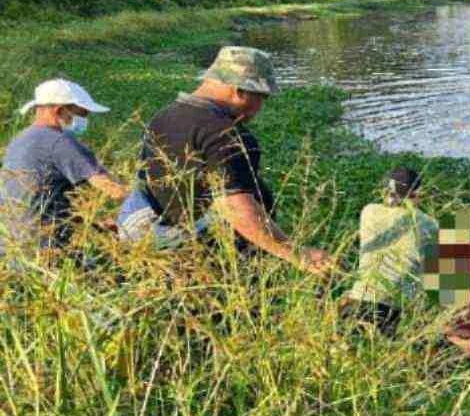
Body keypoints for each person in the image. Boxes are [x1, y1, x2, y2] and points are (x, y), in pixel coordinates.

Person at [117, 46, 333, 274]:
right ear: (240, 91)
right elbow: (235, 210)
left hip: (136, 228)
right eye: (262, 98)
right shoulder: (226, 135)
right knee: (253, 199)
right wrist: (299, 254)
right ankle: (243, 276)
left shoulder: (163, 115)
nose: (259, 108)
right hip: (171, 240)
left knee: (249, 189)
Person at [0, 79, 128, 259]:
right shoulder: (60, 142)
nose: (85, 121)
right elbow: (113, 190)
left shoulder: (19, 140)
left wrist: (95, 224)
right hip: (45, 251)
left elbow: (38, 201)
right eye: (82, 114)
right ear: (60, 110)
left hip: (12, 249)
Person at [343, 167, 439, 334]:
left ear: (385, 191)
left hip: (357, 300)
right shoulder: (430, 225)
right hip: (390, 310)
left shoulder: (369, 211)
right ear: (417, 194)